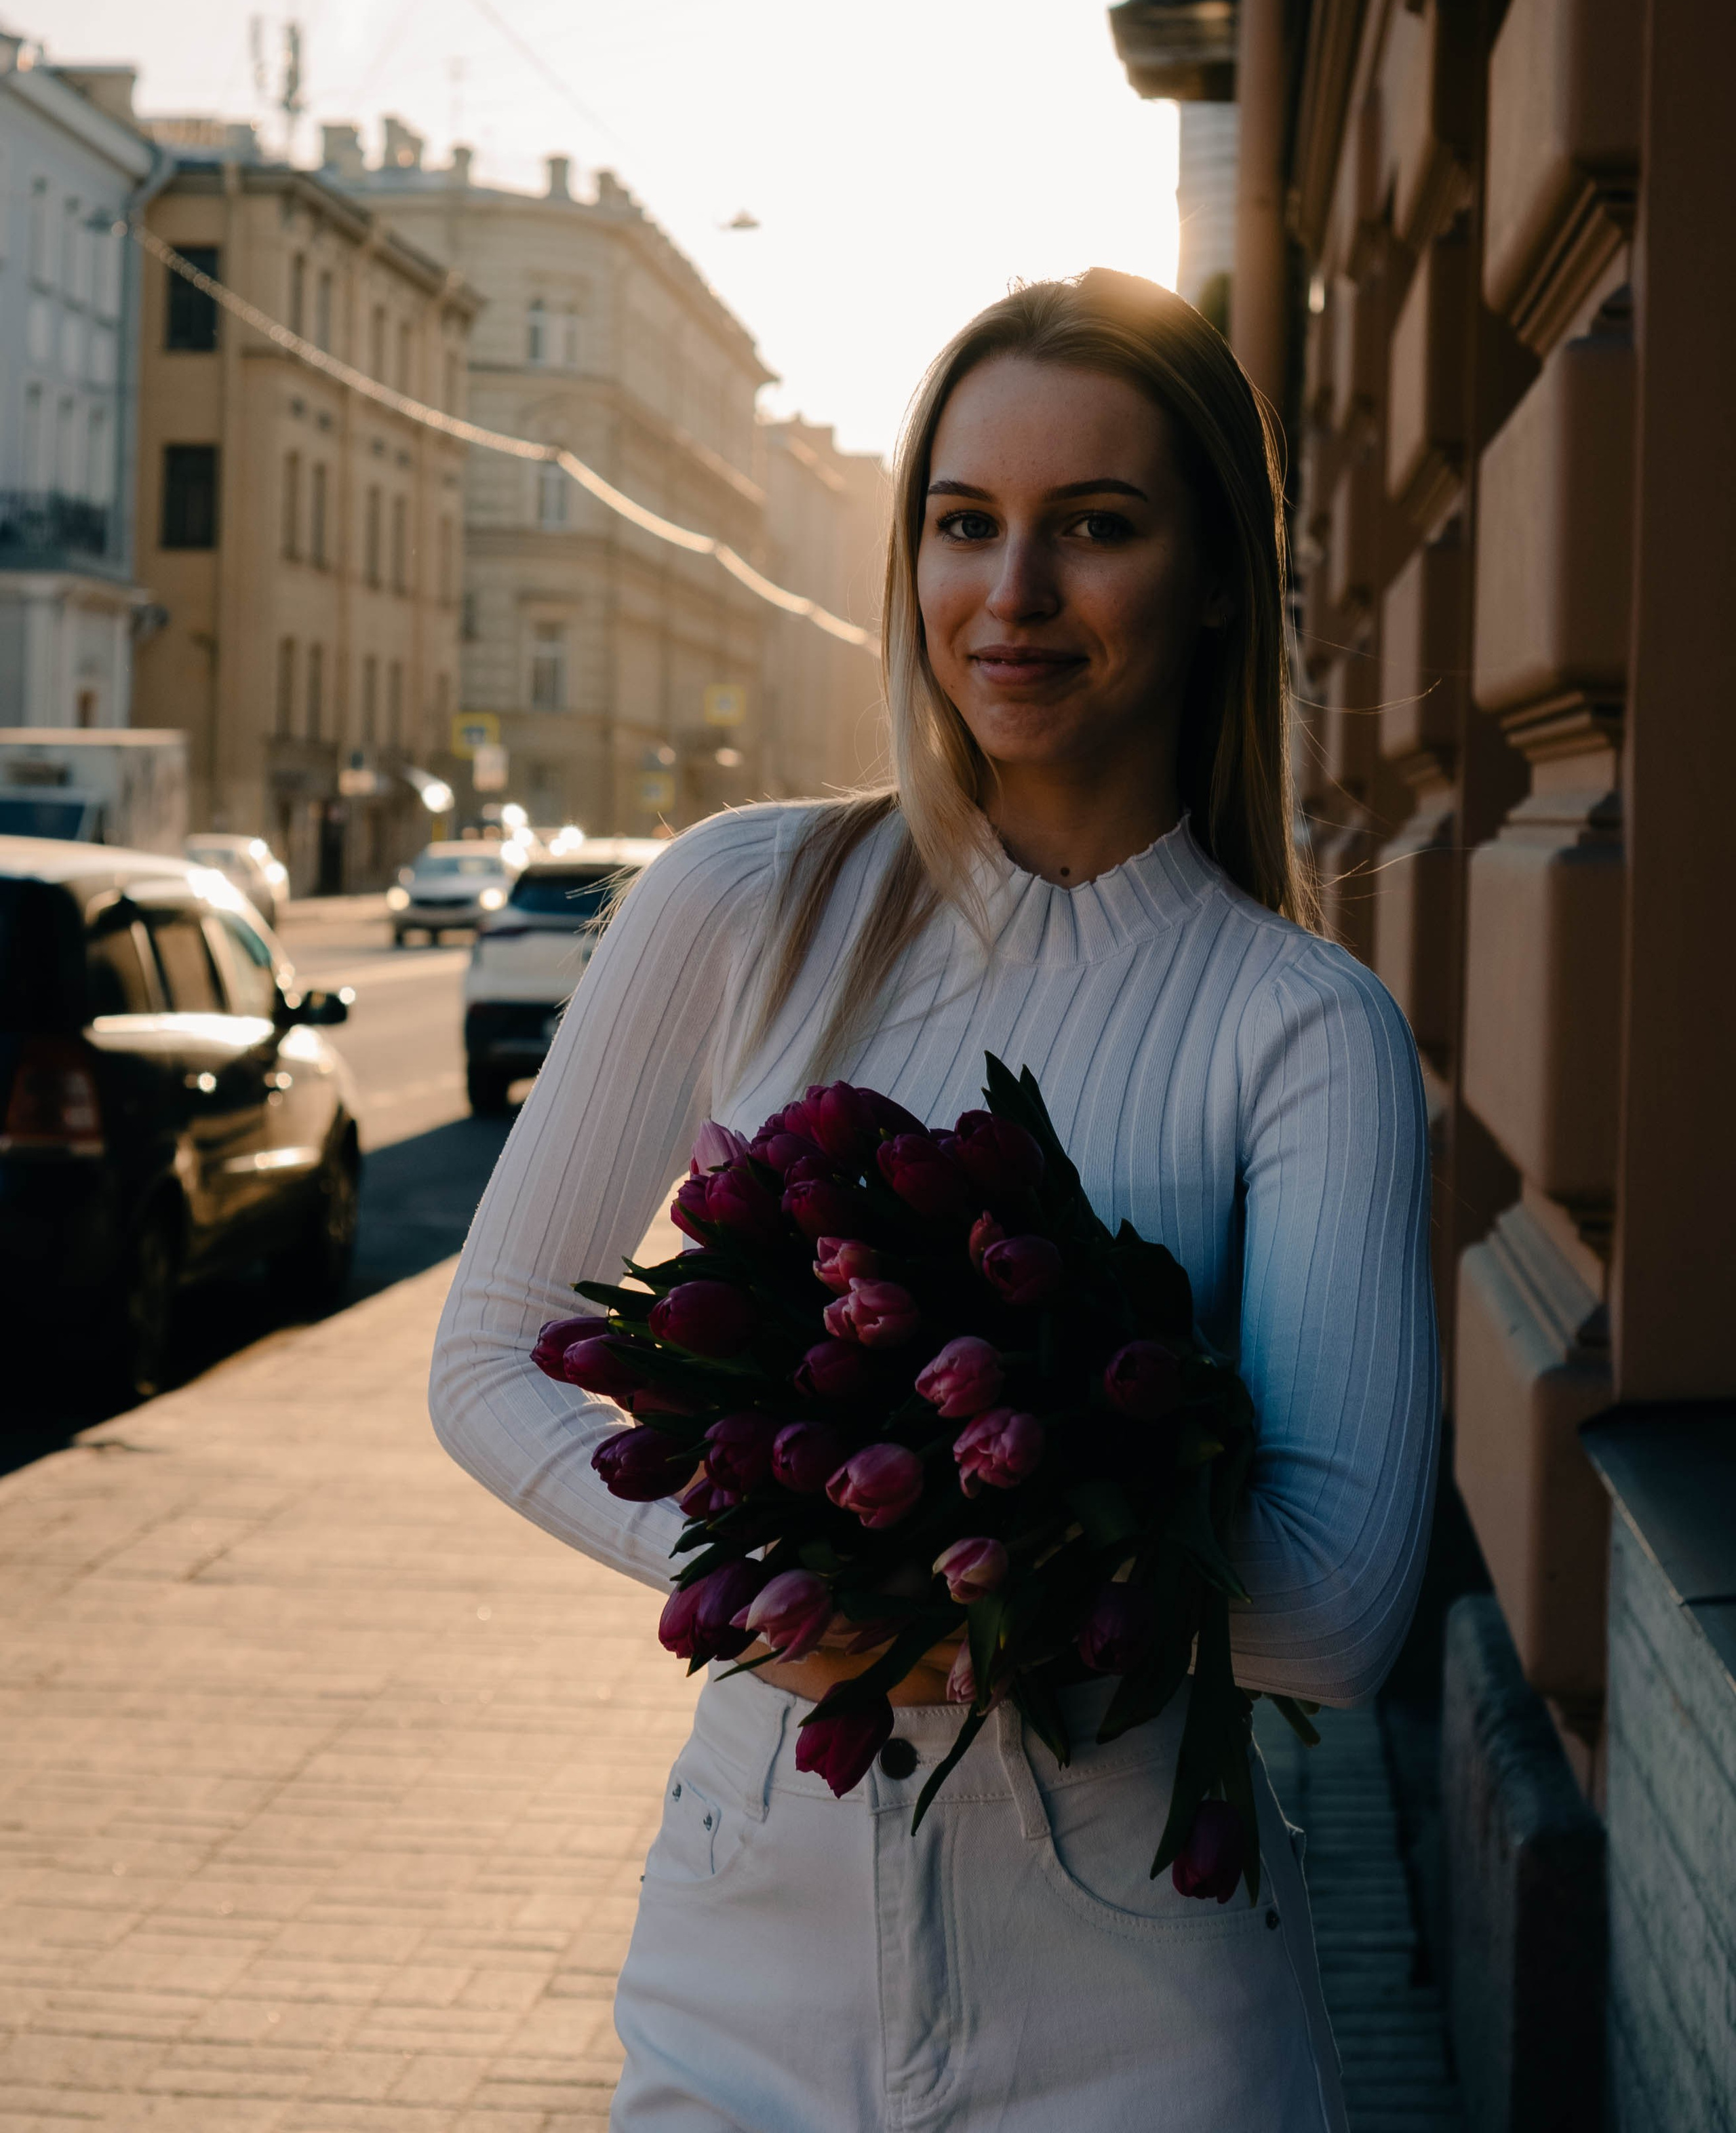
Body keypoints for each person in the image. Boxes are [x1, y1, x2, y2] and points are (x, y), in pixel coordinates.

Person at [429, 269, 1438, 2132]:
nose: (1012, 593)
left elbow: (1339, 1604)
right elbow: (497, 1357)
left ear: (1218, 576)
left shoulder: (1302, 1026)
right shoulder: (743, 903)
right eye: (964, 524)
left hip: (1139, 1976)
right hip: (750, 1922)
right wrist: (757, 1590)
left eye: (1098, 529)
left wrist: (909, 1599)